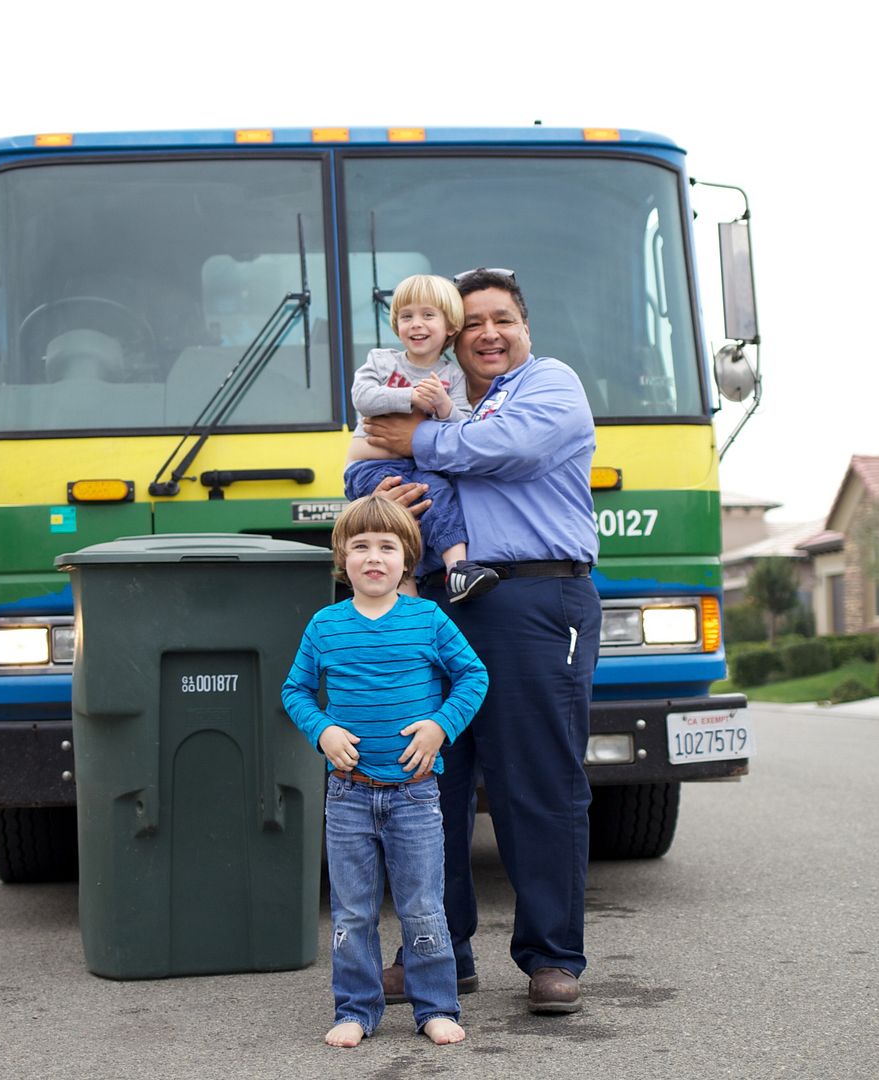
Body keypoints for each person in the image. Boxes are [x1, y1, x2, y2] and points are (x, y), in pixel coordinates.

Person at [365, 267, 601, 1015]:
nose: (488, 333)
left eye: (502, 319)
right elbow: (372, 450)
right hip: (435, 601)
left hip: (532, 596)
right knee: (427, 786)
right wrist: (381, 492)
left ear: (525, 328)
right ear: (449, 334)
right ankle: (440, 954)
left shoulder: (550, 384)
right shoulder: (429, 390)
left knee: (535, 783)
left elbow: (514, 451)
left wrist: (423, 439)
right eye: (472, 323)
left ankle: (551, 959)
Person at [280, 495, 489, 1048]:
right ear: (341, 558)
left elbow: (473, 677)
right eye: (361, 547)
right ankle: (356, 1009)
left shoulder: (428, 619)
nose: (374, 558)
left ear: (408, 559)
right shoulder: (325, 625)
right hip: (348, 794)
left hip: (416, 796)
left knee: (423, 907)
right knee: (352, 911)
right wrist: (321, 730)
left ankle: (436, 1007)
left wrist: (440, 726)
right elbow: (295, 690)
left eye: (388, 547)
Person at [344, 273, 498, 604]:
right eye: (406, 316)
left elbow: (463, 425)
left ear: (450, 327)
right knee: (397, 514)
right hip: (372, 465)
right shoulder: (382, 361)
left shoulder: (453, 375)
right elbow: (363, 397)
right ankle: (403, 587)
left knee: (439, 494)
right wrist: (410, 397)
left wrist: (443, 408)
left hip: (422, 465)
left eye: (428, 315)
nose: (416, 324)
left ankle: (459, 569)